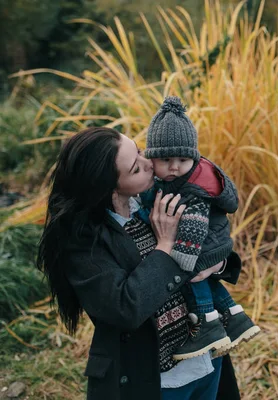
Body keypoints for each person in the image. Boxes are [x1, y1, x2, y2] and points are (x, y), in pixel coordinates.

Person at [36, 127, 241, 400]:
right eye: (135, 168)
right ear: (107, 187)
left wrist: (217, 265)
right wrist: (165, 246)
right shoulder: (84, 242)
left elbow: (210, 238)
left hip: (207, 357)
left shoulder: (156, 197)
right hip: (155, 379)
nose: (150, 163)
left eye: (140, 150)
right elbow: (125, 307)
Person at [139, 96, 260, 360]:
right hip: (212, 245)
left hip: (199, 247)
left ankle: (207, 323)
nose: (174, 166)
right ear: (152, 159)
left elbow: (195, 223)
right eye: (166, 159)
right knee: (204, 278)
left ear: (194, 158)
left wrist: (181, 261)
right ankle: (234, 317)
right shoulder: (179, 181)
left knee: (191, 277)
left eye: (183, 159)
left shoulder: (192, 188)